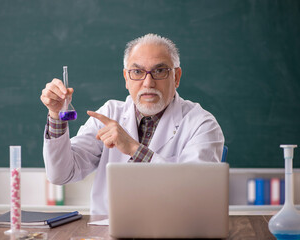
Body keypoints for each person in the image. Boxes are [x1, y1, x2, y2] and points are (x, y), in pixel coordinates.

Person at [40, 33, 224, 215]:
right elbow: (61, 174)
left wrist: (135, 150)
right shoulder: (109, 114)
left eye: (159, 71)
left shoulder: (202, 124)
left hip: (174, 231)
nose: (148, 83)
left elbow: (197, 194)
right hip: (107, 230)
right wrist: (55, 115)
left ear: (176, 77)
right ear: (126, 78)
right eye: (137, 72)